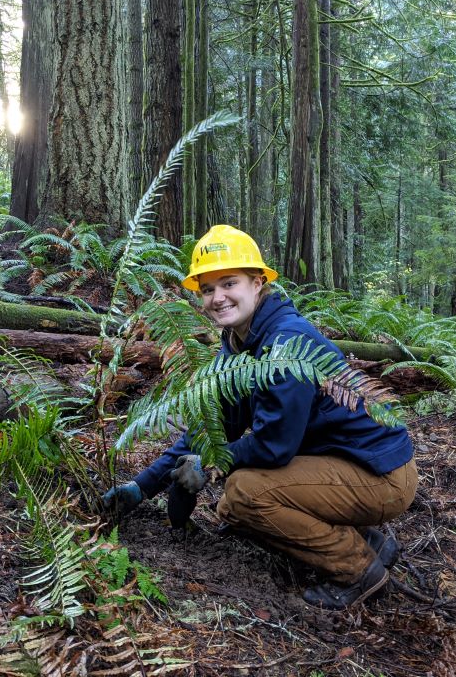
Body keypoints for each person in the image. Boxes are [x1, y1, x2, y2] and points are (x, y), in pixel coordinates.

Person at [103, 225, 417, 610]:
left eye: (229, 283)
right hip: (345, 464)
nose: (217, 297)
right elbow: (211, 431)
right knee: (239, 492)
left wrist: (210, 464)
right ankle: (372, 541)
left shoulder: (287, 346)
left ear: (257, 283)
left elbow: (273, 446)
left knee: (245, 495)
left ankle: (356, 568)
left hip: (380, 477)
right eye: (207, 289)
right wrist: (142, 486)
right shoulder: (237, 348)